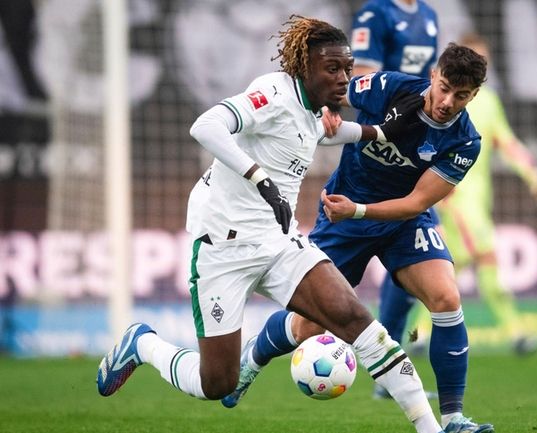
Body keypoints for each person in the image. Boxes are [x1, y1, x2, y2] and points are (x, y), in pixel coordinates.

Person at [96, 16, 446, 433]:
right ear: (303, 67)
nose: (343, 78)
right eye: (332, 69)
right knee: (216, 383)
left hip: (279, 243)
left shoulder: (313, 110)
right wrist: (259, 178)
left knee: (356, 319)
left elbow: (324, 133)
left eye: (347, 69)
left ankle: (431, 428)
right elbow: (205, 126)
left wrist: (381, 131)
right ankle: (144, 344)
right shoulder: (273, 93)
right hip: (221, 245)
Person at [225, 43, 495, 433]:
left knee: (446, 297)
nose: (448, 102)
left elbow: (414, 202)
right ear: (434, 75)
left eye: (462, 96)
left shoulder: (465, 142)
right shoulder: (389, 86)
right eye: (445, 87)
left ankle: (453, 418)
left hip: (401, 220)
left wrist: (359, 209)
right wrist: (325, 113)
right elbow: (326, 91)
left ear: (474, 96)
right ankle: (255, 355)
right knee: (307, 328)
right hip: (344, 221)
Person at [412, 32, 537, 355]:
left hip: (478, 200)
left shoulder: (487, 102)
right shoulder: (439, 101)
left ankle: (417, 334)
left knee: (445, 269)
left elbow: (505, 141)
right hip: (455, 199)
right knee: (487, 258)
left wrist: (531, 169)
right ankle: (515, 332)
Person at [349, 0, 443, 380]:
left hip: (416, 153)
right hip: (378, 152)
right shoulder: (376, 15)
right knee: (324, 292)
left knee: (416, 272)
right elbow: (364, 79)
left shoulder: (429, 15)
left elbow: (435, 85)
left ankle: (390, 368)